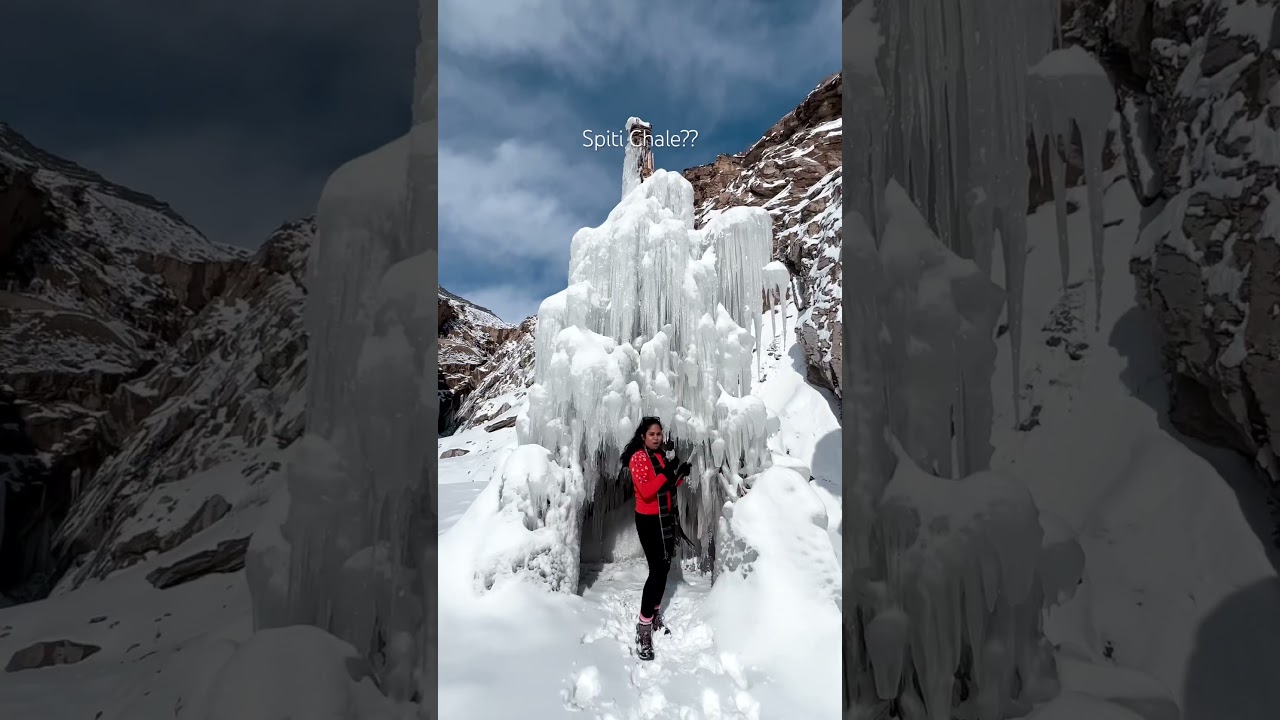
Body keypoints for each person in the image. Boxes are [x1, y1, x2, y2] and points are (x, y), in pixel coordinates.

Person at [620, 416, 691, 661]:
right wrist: (668, 473)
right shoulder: (638, 458)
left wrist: (679, 475)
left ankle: (654, 613)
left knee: (663, 568)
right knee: (657, 571)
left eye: (659, 434)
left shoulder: (660, 456)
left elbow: (666, 487)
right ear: (643, 436)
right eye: (652, 434)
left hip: (665, 519)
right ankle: (643, 628)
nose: (657, 437)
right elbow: (648, 491)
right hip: (650, 522)